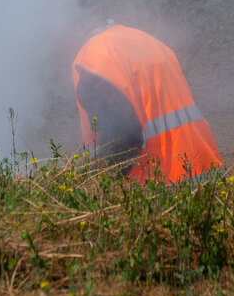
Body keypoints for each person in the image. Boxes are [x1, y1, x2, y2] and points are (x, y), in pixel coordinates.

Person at [71, 21, 222, 184]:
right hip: (204, 167)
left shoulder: (92, 58)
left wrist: (96, 179)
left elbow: (123, 136)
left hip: (159, 182)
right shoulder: (146, 41)